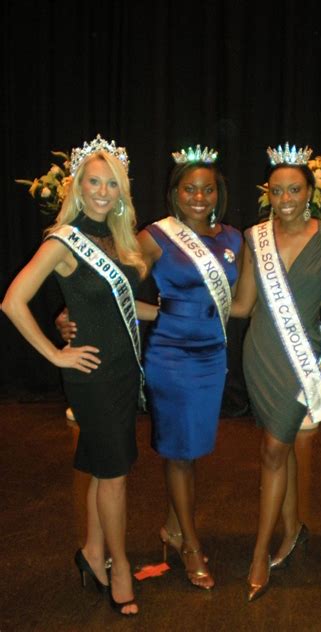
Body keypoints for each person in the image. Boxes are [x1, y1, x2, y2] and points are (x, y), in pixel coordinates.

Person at [2, 135, 158, 616]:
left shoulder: (122, 238)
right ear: (77, 185)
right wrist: (56, 355)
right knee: (114, 475)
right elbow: (12, 301)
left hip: (121, 371)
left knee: (100, 465)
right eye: (94, 181)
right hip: (90, 374)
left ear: (122, 190)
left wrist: (182, 315)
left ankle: (92, 553)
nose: (102, 191)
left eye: (112, 183)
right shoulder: (63, 239)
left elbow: (126, 307)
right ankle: (121, 566)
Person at [230, 142, 321, 601]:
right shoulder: (253, 237)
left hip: (301, 356)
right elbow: (241, 306)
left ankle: (260, 552)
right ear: (268, 194)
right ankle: (293, 529)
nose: (285, 199)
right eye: (276, 191)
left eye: (294, 189)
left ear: (309, 191)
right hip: (260, 353)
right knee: (282, 449)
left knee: (274, 449)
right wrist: (180, 305)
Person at [137, 145, 242, 590]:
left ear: (217, 193)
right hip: (171, 355)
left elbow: (245, 304)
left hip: (212, 354)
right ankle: (190, 546)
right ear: (175, 193)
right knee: (179, 453)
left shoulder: (234, 239)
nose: (199, 197)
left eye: (207, 189)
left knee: (192, 448)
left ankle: (173, 526)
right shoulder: (155, 237)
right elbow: (114, 282)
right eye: (189, 189)